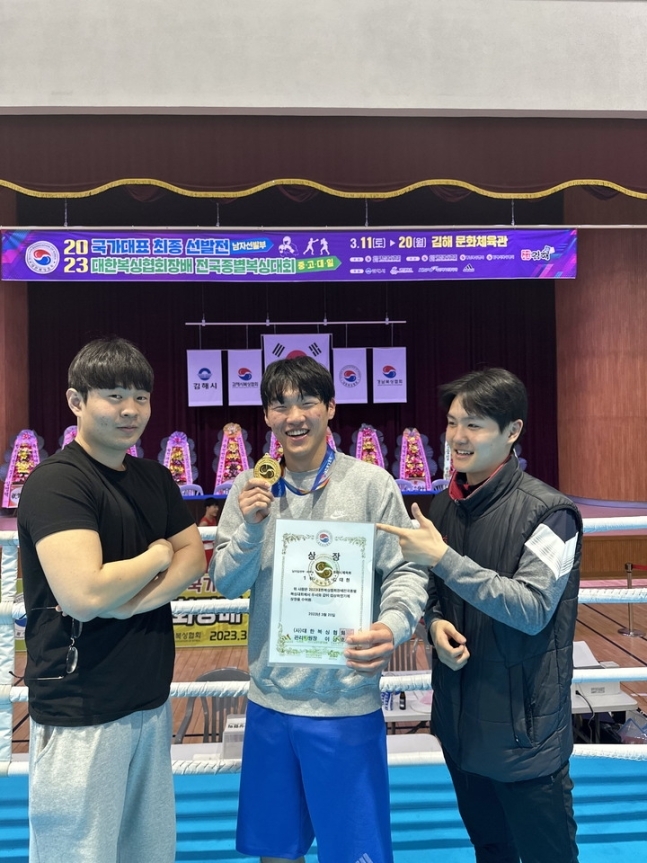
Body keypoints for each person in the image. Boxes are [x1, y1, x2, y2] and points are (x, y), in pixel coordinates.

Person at [212, 356, 428, 863]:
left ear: (330, 408)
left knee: (355, 855)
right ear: (266, 416)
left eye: (307, 401)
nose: (294, 416)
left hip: (345, 704)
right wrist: (251, 529)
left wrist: (392, 625)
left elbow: (407, 570)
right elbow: (226, 582)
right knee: (275, 853)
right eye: (280, 405)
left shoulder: (371, 484)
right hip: (270, 704)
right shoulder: (249, 488)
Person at [378, 368, 583, 863]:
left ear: (513, 431)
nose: (457, 437)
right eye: (452, 423)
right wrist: (433, 625)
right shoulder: (442, 507)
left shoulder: (552, 514)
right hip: (460, 728)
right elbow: (435, 593)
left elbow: (533, 608)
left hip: (525, 738)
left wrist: (443, 558)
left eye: (474, 425)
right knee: (490, 851)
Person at [17, 337, 206, 863]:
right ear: (76, 401)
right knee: (79, 854)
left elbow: (194, 558)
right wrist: (157, 555)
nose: (130, 410)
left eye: (140, 397)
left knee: (148, 853)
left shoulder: (154, 477)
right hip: (81, 707)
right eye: (114, 395)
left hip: (148, 701)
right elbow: (85, 593)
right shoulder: (57, 482)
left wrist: (131, 602)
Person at [199, 498, 220, 568]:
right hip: (206, 552)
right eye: (214, 507)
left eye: (217, 507)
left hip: (213, 550)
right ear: (207, 508)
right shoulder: (204, 523)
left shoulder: (213, 520)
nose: (217, 509)